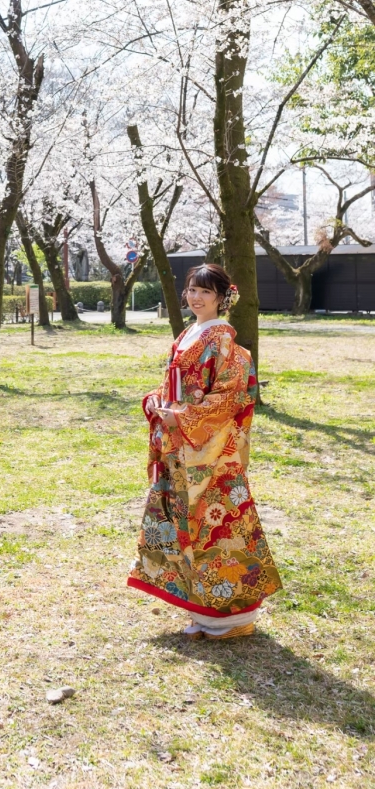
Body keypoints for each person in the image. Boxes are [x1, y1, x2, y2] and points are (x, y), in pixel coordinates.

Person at [128, 263, 281, 638]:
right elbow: (175, 385)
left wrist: (184, 416)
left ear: (222, 298)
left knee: (216, 527)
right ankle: (202, 611)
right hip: (181, 443)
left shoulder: (223, 340)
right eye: (192, 290)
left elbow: (229, 395)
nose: (196, 297)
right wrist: (158, 401)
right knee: (185, 523)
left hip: (210, 451)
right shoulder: (188, 333)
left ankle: (232, 618)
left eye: (206, 292)